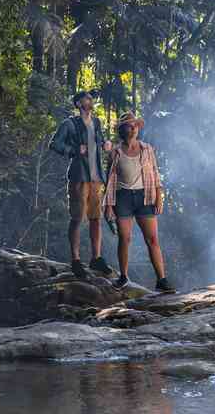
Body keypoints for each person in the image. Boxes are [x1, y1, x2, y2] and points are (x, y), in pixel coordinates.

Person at [103, 113, 174, 293]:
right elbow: (109, 180)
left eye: (135, 125)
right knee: (124, 238)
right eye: (129, 125)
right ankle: (123, 277)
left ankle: (162, 280)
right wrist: (109, 205)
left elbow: (155, 174)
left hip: (145, 197)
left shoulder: (147, 149)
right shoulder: (116, 152)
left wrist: (159, 196)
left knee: (152, 239)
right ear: (123, 130)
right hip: (123, 197)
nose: (133, 128)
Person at [47, 90, 114, 279]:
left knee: (95, 219)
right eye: (86, 98)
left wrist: (106, 144)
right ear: (78, 103)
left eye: (91, 98)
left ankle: (96, 258)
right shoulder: (69, 124)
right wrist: (75, 150)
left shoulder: (97, 122)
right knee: (77, 218)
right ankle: (75, 260)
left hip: (95, 179)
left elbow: (100, 141)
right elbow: (54, 144)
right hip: (79, 177)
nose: (90, 100)